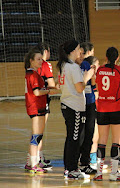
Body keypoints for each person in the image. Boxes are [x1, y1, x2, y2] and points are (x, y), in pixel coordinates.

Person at [57, 40, 94, 179]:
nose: (80, 51)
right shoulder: (72, 67)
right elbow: (80, 88)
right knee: (75, 138)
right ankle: (72, 169)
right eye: (78, 49)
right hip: (74, 107)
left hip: (67, 105)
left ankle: (69, 167)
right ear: (72, 51)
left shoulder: (63, 65)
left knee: (71, 137)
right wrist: (87, 76)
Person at [93, 47, 120, 181]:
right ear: (117, 58)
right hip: (116, 108)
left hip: (102, 109)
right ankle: (114, 172)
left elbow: (97, 86)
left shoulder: (100, 70)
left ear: (106, 57)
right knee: (116, 142)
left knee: (101, 141)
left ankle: (99, 173)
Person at [26, 43, 55, 171]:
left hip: (38, 106)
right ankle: (33, 164)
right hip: (35, 107)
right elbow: (37, 92)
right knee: (36, 136)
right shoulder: (33, 75)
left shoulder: (34, 73)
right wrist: (49, 91)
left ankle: (31, 162)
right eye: (38, 59)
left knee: (37, 135)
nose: (40, 61)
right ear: (31, 61)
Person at [74, 44, 97, 175]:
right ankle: (75, 162)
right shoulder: (73, 67)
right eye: (80, 53)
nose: (82, 56)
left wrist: (93, 75)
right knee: (79, 135)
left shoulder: (87, 65)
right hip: (79, 103)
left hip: (90, 102)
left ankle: (85, 163)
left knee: (89, 133)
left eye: (83, 54)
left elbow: (93, 84)